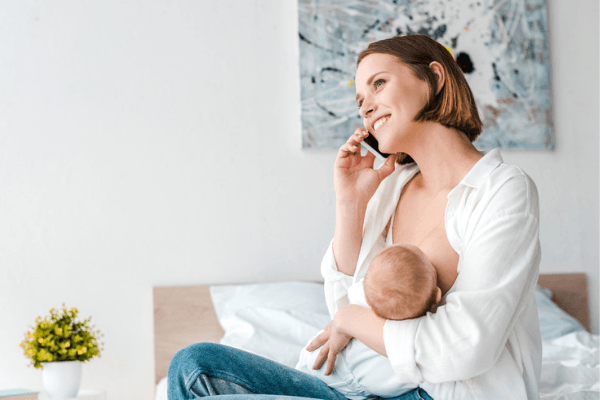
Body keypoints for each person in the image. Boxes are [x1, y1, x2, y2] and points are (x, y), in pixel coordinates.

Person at [168, 34, 542, 400]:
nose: (365, 107)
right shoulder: (394, 187)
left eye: (379, 83)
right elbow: (345, 303)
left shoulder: (501, 190)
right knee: (192, 366)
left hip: (430, 392)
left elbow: (466, 346)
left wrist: (351, 320)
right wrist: (350, 205)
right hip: (349, 386)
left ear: (434, 79)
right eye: (361, 100)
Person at [295, 244, 442, 400]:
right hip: (364, 381)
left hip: (329, 367)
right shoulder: (418, 338)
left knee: (306, 363)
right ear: (437, 295)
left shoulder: (363, 293)